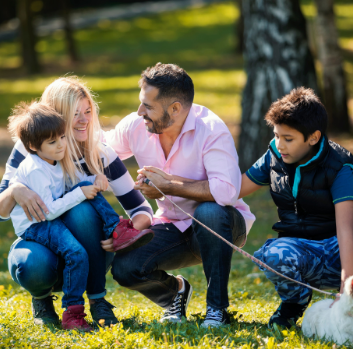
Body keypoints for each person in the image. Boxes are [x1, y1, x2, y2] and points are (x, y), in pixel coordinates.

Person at [100, 63, 256, 328]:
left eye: (148, 107)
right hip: (172, 225)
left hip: (223, 227)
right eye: (141, 104)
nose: (140, 113)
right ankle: (175, 293)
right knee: (125, 268)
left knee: (210, 212)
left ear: (175, 108)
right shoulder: (137, 125)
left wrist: (169, 185)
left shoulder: (211, 130)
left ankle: (217, 310)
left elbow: (227, 192)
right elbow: (101, 150)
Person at [0, 77, 153, 326]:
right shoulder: (31, 148)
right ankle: (42, 297)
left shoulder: (99, 152)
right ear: (56, 116)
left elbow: (141, 208)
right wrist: (16, 190)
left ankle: (97, 300)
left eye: (88, 111)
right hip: (42, 241)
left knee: (82, 211)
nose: (84, 120)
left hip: (88, 250)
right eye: (75, 114)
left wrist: (127, 232)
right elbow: (1, 212)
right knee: (34, 264)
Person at [239, 87, 353, 328]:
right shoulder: (273, 156)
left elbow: (347, 229)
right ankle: (294, 302)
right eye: (277, 135)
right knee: (273, 254)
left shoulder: (340, 166)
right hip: (302, 252)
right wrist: (176, 185)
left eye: (288, 139)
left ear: (313, 137)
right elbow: (233, 189)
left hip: (339, 252)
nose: (280, 145)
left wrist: (347, 289)